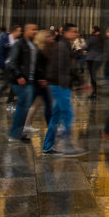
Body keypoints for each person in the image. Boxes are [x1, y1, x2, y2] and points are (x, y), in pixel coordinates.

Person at [42, 23, 87, 156]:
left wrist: (81, 82)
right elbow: (65, 68)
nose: (76, 34)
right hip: (60, 85)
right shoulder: (62, 46)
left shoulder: (64, 45)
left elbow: (69, 67)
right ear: (65, 32)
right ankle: (67, 145)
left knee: (56, 116)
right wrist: (69, 84)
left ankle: (47, 146)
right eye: (73, 32)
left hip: (58, 84)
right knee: (68, 115)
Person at [6, 23, 40, 142]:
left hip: (30, 80)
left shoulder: (33, 45)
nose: (35, 31)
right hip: (21, 80)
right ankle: (15, 134)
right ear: (26, 31)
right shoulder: (19, 44)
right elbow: (11, 62)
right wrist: (18, 75)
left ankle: (17, 133)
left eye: (36, 29)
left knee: (24, 106)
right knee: (23, 106)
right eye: (33, 29)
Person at [0, 25, 21, 105]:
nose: (20, 33)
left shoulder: (17, 41)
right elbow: (0, 52)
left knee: (14, 82)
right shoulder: (5, 39)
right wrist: (3, 63)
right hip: (6, 65)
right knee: (7, 82)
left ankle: (10, 100)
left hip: (14, 65)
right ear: (14, 31)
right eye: (19, 31)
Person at [84, 27, 103, 99]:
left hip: (91, 58)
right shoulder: (101, 39)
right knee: (94, 75)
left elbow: (87, 47)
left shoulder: (91, 38)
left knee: (92, 76)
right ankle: (94, 92)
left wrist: (85, 51)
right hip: (99, 59)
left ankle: (93, 93)